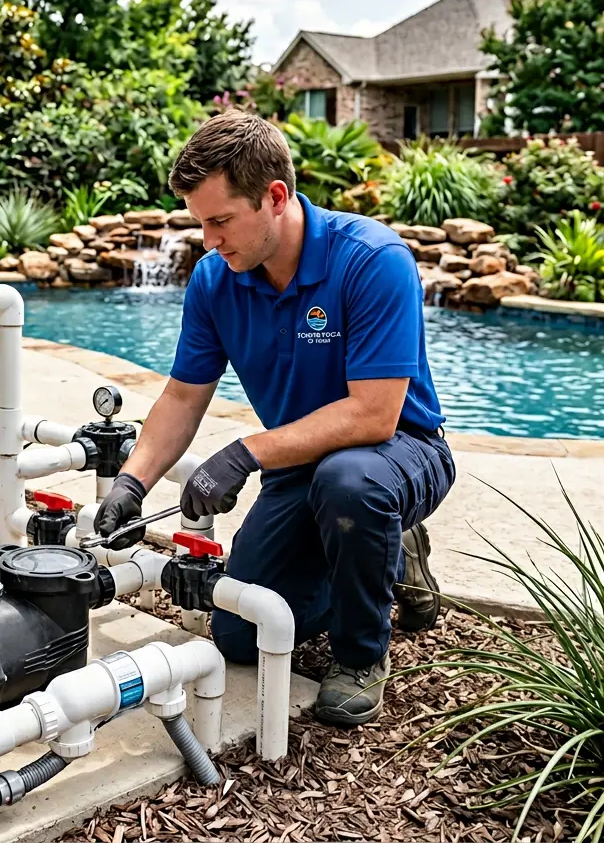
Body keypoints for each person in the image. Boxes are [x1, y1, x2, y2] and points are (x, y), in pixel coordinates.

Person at [93, 110, 455, 727]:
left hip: (401, 450)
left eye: (219, 221)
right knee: (238, 633)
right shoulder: (216, 280)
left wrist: (244, 453)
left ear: (275, 197)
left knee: (351, 483)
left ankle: (362, 656)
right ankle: (384, 556)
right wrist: (133, 482)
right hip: (299, 466)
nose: (208, 240)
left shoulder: (372, 260)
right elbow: (183, 396)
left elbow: (373, 415)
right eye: (200, 223)